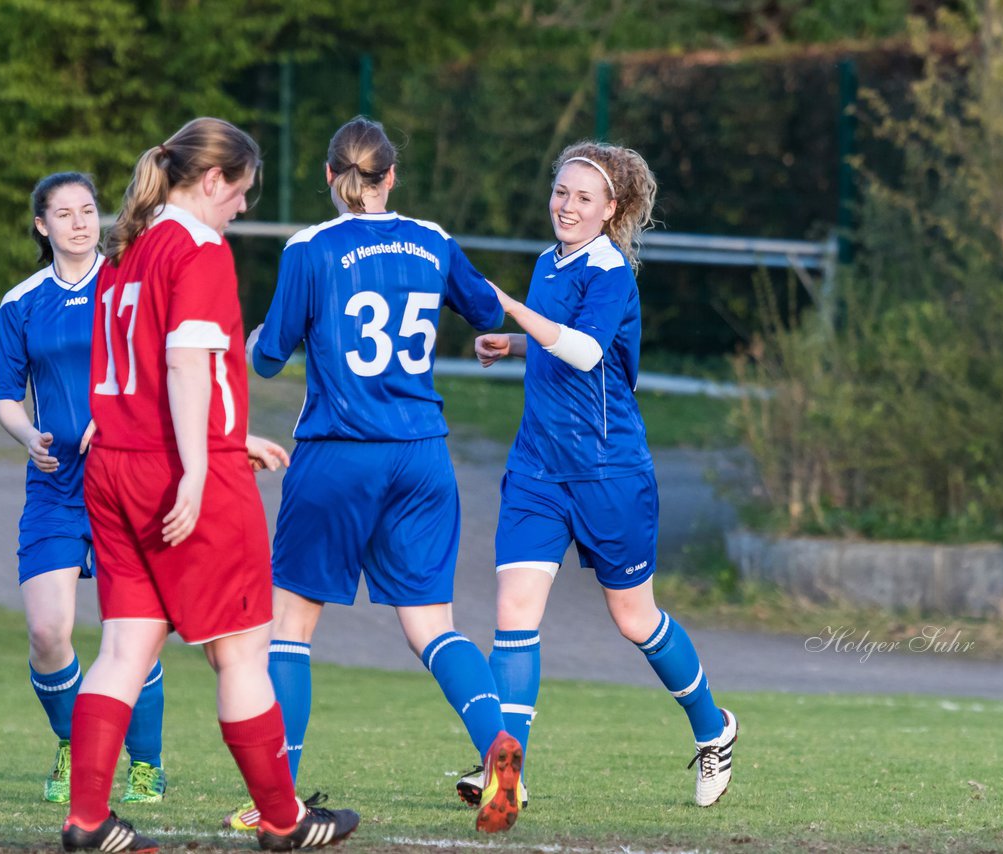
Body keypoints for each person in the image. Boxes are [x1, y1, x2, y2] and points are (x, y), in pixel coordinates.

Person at [60, 117, 360, 852]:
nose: (242, 207)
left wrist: (226, 438)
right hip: (177, 471)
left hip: (116, 465)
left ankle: (88, 817)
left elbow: (150, 370)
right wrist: (201, 466)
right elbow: (186, 365)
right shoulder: (197, 246)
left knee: (125, 647)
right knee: (242, 651)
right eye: (241, 192)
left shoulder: (129, 246)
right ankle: (284, 823)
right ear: (213, 179)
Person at [238, 115, 522, 835]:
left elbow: (269, 357)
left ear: (332, 178)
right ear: (391, 175)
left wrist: (244, 343)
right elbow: (487, 312)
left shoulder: (311, 248)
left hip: (339, 451)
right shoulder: (433, 240)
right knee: (433, 626)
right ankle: (497, 749)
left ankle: (282, 798)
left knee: (290, 627)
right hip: (422, 453)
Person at [467, 141, 738, 809]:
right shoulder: (547, 262)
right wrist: (518, 343)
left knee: (634, 619)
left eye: (584, 197)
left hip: (607, 471)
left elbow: (588, 351)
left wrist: (508, 310)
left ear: (611, 209)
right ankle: (507, 773)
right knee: (514, 616)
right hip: (537, 469)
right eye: (561, 192)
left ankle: (714, 729)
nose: (567, 205)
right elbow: (562, 339)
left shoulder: (611, 269)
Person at [0, 172, 168, 808]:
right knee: (48, 632)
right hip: (55, 489)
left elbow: (157, 368)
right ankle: (73, 741)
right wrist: (28, 436)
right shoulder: (22, 302)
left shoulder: (129, 284)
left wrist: (118, 415)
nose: (79, 222)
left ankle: (146, 763)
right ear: (42, 226)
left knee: (132, 630)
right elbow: (7, 398)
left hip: (126, 480)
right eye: (63, 214)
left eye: (88, 210)